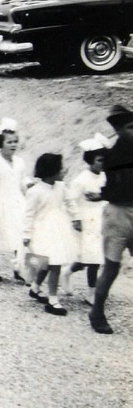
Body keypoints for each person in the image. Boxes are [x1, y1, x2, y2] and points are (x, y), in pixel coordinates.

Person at [90, 105, 133, 334]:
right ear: (118, 130)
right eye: (129, 127)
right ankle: (97, 312)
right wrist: (102, 195)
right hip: (117, 214)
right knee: (112, 267)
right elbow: (116, 189)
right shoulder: (112, 157)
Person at [24, 153, 78, 316]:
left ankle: (35, 287)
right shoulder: (36, 191)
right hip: (42, 231)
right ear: (51, 171)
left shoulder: (61, 187)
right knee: (50, 264)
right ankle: (52, 299)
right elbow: (28, 214)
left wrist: (76, 217)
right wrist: (26, 234)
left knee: (51, 263)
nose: (63, 171)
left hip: (59, 229)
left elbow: (70, 202)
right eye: (60, 169)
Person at [0, 119, 30, 283]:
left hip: (16, 202)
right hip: (0, 203)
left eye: (15, 141)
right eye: (9, 142)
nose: (13, 145)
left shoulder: (19, 162)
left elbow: (22, 180)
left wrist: (29, 185)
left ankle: (19, 267)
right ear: (0, 143)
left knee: (20, 234)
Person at [66, 134, 108, 306]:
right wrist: (76, 218)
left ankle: (67, 272)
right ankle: (91, 292)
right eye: (99, 160)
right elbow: (70, 199)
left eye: (105, 160)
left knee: (90, 258)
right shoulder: (81, 180)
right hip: (87, 221)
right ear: (91, 161)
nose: (102, 163)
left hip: (102, 220)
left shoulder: (105, 176)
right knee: (93, 259)